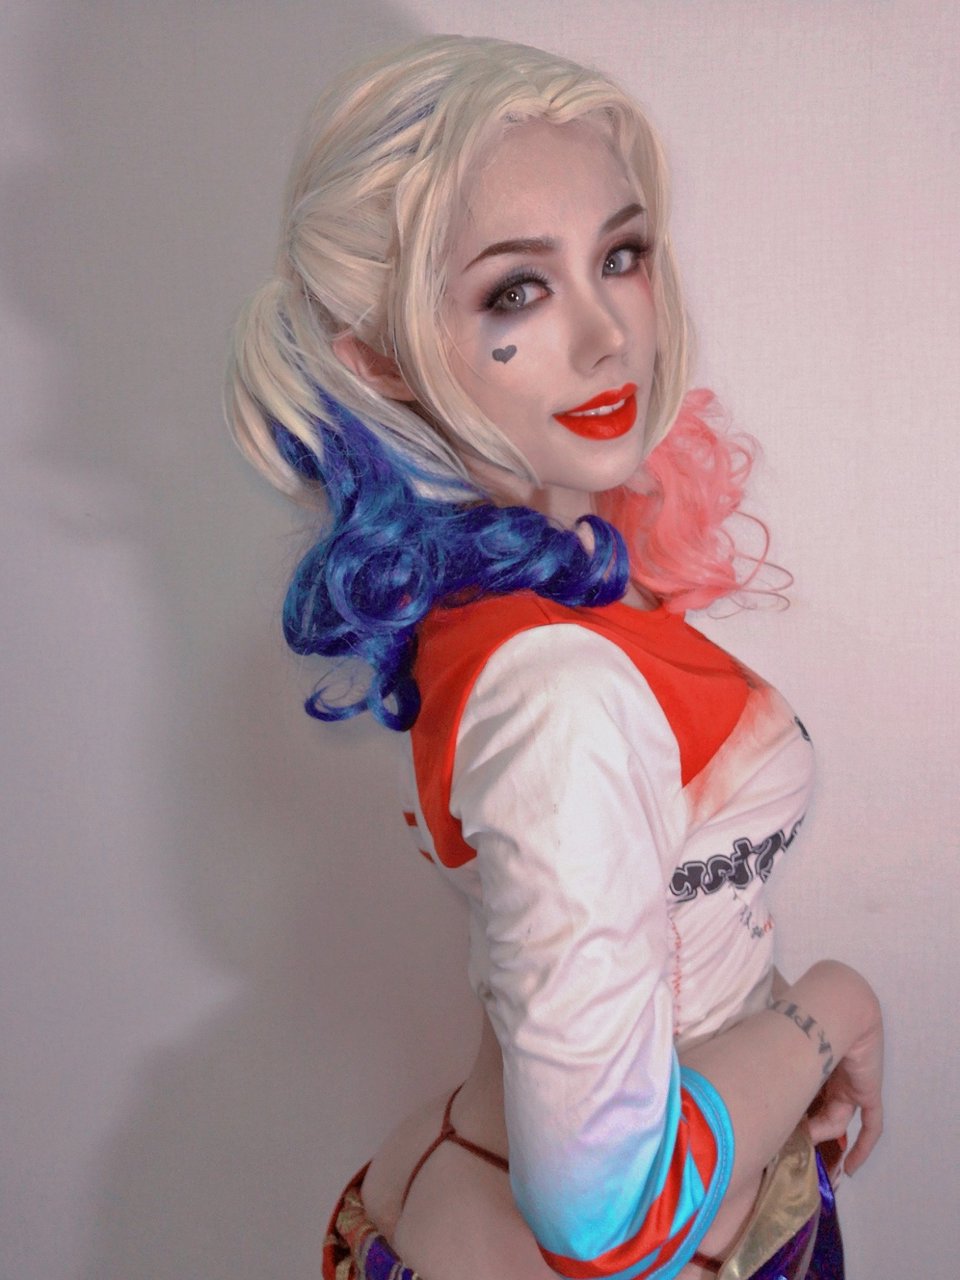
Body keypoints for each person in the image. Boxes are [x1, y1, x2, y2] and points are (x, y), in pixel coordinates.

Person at [225, 35, 883, 1280]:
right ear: (382, 357)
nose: (605, 335)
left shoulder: (539, 590)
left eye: (619, 256)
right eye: (516, 291)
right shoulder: (559, 691)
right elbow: (608, 1216)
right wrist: (833, 1006)